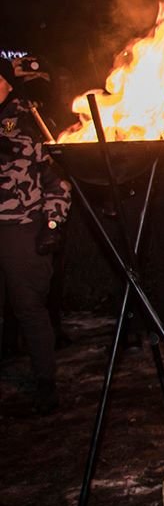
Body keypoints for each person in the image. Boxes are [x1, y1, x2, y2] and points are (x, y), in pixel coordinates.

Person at [0, 55, 70, 414]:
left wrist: (52, 224)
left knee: (29, 307)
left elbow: (58, 180)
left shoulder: (32, 120)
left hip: (20, 227)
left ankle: (45, 382)